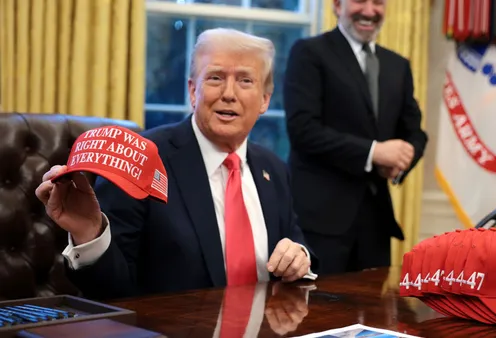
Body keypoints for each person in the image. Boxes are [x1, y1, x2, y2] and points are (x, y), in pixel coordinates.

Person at [35, 28, 318, 300]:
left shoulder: (274, 169)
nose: (229, 93)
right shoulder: (142, 160)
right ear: (193, 92)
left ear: (265, 100)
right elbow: (111, 290)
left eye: (245, 80)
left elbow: (297, 245)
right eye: (216, 78)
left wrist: (299, 258)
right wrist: (89, 235)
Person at [283, 0, 428, 275]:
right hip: (320, 221)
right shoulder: (309, 53)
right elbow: (303, 129)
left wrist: (402, 159)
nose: (370, 11)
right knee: (318, 312)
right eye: (360, 1)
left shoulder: (398, 65)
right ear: (337, 5)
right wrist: (374, 153)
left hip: (376, 223)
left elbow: (415, 132)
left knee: (377, 313)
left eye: (378, 3)